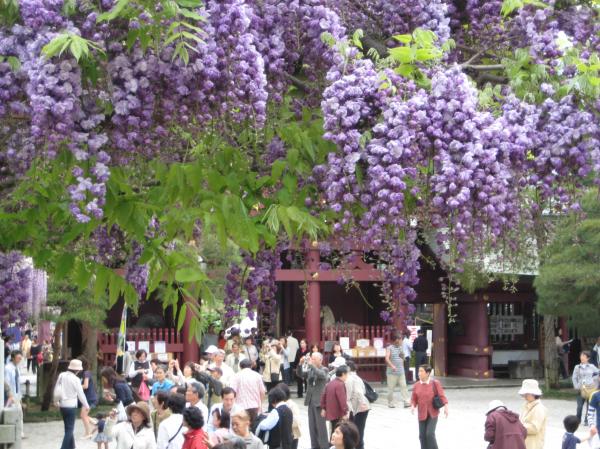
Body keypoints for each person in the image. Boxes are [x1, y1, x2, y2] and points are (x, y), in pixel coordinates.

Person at [411, 364, 449, 449]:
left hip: (433, 413)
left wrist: (446, 407)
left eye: (421, 371)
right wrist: (413, 406)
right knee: (422, 436)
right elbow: (414, 398)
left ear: (427, 373)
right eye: (418, 371)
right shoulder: (416, 385)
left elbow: (442, 396)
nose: (419, 373)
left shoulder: (435, 383)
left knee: (429, 434)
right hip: (421, 413)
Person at [55, 358, 90, 449]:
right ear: (77, 370)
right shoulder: (76, 379)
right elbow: (80, 394)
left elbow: (56, 389)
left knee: (67, 428)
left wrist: (56, 401)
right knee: (69, 430)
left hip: (62, 405)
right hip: (71, 406)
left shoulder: (61, 375)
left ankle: (72, 447)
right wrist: (86, 405)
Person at [300, 352, 329, 449]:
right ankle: (314, 446)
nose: (311, 360)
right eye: (311, 358)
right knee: (312, 427)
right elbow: (300, 374)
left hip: (319, 403)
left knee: (321, 427)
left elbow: (321, 375)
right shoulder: (310, 369)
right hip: (310, 401)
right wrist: (300, 364)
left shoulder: (324, 369)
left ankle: (324, 446)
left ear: (320, 360)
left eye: (314, 359)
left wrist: (311, 365)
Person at [230, 358, 265, 423]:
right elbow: (262, 391)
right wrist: (260, 403)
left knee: (242, 428)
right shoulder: (257, 376)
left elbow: (232, 391)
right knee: (254, 427)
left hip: (240, 407)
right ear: (251, 366)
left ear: (240, 367)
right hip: (254, 406)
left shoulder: (236, 376)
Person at [345, 361, 369, 449]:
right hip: (359, 406)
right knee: (358, 430)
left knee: (358, 431)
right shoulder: (356, 377)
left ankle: (359, 447)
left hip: (360, 407)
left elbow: (360, 392)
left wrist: (362, 403)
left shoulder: (351, 378)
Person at [518, 379, 547, 449]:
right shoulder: (526, 405)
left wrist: (518, 426)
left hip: (533, 445)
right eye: (523, 394)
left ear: (534, 394)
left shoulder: (539, 408)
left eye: (526, 394)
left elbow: (534, 428)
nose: (524, 396)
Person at [321, 366, 349, 437]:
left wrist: (324, 408)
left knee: (333, 430)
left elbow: (323, 396)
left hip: (331, 412)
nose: (347, 376)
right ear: (343, 374)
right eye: (347, 374)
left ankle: (332, 445)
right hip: (337, 413)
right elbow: (342, 400)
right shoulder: (340, 384)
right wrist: (345, 412)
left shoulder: (330, 383)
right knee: (338, 431)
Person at [572, 350, 599, 425]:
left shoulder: (592, 366)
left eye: (584, 356)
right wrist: (576, 386)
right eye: (581, 356)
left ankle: (586, 420)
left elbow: (597, 374)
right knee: (579, 406)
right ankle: (578, 420)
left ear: (588, 358)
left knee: (589, 405)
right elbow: (574, 377)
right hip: (581, 389)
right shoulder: (577, 367)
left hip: (590, 389)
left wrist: (595, 384)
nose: (582, 357)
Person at [385, 334, 410, 408]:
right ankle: (390, 402)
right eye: (401, 339)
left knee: (404, 386)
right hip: (391, 372)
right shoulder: (389, 348)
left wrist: (402, 363)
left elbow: (402, 358)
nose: (402, 341)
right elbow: (387, 358)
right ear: (397, 340)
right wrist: (392, 366)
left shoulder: (400, 348)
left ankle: (406, 401)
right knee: (391, 388)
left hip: (401, 372)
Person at [4, 350, 24, 438]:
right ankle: (15, 433)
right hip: (11, 396)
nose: (20, 360)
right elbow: (7, 383)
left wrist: (19, 396)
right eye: (18, 358)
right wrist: (10, 395)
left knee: (20, 414)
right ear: (13, 358)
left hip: (17, 395)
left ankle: (20, 433)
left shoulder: (16, 368)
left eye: (20, 358)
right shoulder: (7, 368)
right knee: (13, 415)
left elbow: (18, 383)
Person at [275, 383, 301, 449]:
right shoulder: (278, 404)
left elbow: (296, 421)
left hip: (292, 435)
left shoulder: (292, 405)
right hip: (281, 436)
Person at [79, 356, 98, 439]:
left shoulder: (86, 373)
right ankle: (96, 424)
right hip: (87, 397)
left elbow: (85, 386)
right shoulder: (84, 373)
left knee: (83, 415)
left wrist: (76, 386)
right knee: (83, 415)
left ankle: (88, 433)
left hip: (90, 398)